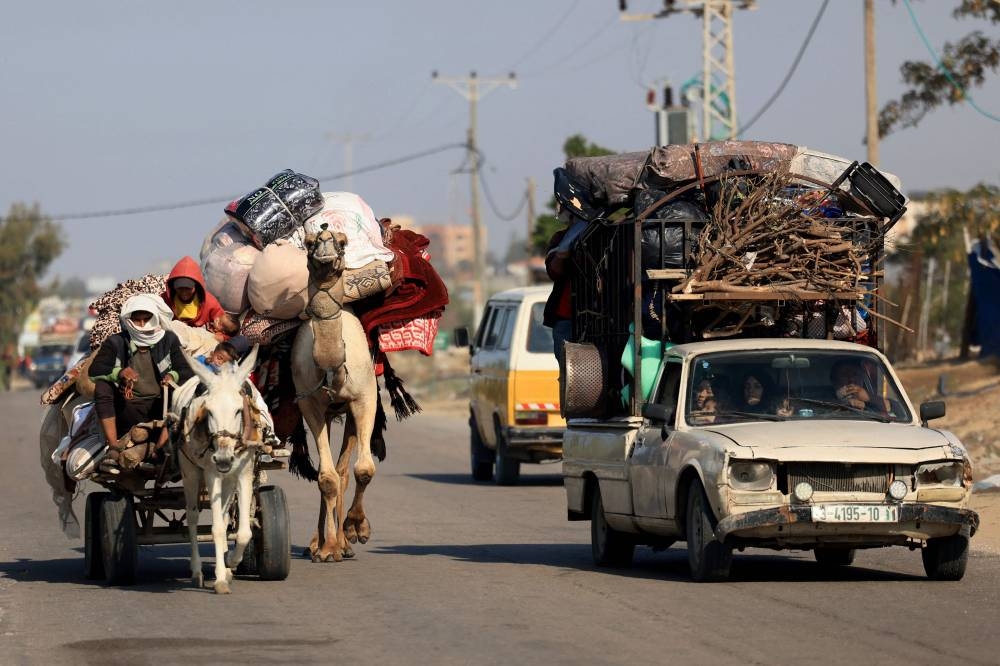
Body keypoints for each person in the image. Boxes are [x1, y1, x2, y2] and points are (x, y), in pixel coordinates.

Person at [88, 294, 194, 462]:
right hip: (127, 409)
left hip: (161, 408)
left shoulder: (168, 340)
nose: (142, 324)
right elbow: (95, 370)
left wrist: (171, 376)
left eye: (147, 319)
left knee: (180, 394)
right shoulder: (116, 342)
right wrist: (120, 373)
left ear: (155, 318)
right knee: (102, 387)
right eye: (137, 320)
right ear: (129, 320)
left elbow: (186, 370)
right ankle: (114, 446)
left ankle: (160, 449)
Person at [543, 167, 600, 376]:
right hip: (566, 319)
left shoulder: (602, 233)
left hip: (599, 318)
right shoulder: (560, 238)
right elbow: (554, 270)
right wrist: (567, 247)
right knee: (569, 376)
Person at [160, 256, 226, 329]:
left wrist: (221, 336)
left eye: (188, 288)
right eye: (180, 288)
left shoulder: (210, 302)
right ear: (173, 286)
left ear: (197, 286)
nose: (184, 292)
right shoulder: (164, 300)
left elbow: (226, 327)